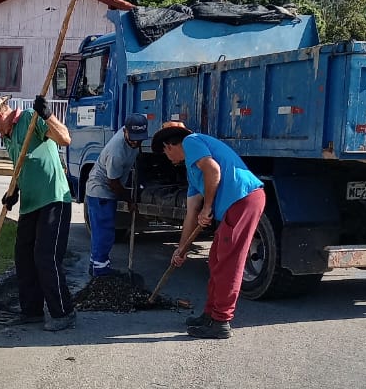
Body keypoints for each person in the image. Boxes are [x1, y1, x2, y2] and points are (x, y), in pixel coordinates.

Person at [0, 94, 76, 331]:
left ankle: (64, 312)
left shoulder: (31, 119)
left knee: (45, 256)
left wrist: (48, 114)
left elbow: (65, 138)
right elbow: (20, 167)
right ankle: (32, 311)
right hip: (30, 204)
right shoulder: (8, 137)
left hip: (54, 199)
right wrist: (14, 191)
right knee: (23, 257)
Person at [155, 122, 265, 339]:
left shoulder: (191, 141)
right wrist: (181, 249)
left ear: (169, 146)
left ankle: (221, 321)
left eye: (165, 153)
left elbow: (213, 169)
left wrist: (208, 207)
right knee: (216, 259)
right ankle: (210, 315)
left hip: (244, 199)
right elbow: (191, 212)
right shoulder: (192, 171)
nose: (168, 159)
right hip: (236, 204)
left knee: (228, 262)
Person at [85, 114, 149, 277]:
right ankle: (100, 271)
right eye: (133, 138)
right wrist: (129, 200)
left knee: (101, 231)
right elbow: (113, 184)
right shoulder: (116, 151)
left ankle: (95, 265)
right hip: (101, 191)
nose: (136, 142)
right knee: (104, 232)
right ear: (125, 131)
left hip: (108, 189)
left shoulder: (133, 138)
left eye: (139, 139)